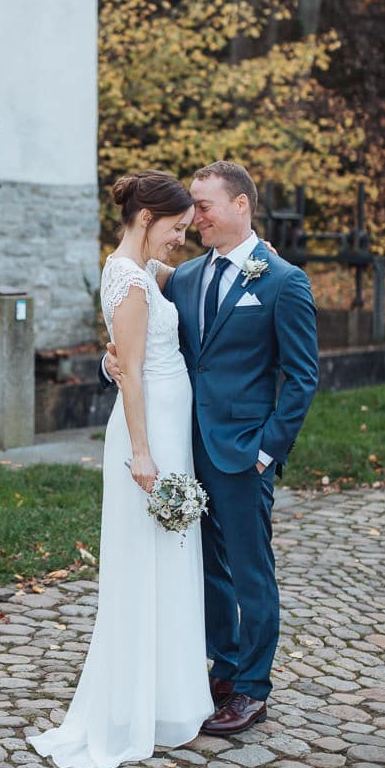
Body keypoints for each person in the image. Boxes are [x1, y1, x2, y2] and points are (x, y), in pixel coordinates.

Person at [102, 161, 319, 735]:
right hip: (186, 448)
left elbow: (301, 378)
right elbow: (140, 339)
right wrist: (110, 364)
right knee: (208, 570)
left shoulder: (282, 281)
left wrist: (268, 450)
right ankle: (222, 670)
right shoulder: (184, 275)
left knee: (251, 572)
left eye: (204, 205)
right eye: (191, 207)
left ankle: (252, 688)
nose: (195, 217)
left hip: (244, 453)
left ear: (240, 205)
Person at [27, 171, 214, 768]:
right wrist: (141, 451)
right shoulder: (129, 279)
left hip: (164, 425)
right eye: (176, 229)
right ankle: (133, 709)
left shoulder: (140, 273)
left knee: (169, 558)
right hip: (148, 434)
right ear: (145, 219)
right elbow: (130, 370)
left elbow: (149, 320)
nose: (180, 240)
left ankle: (165, 702)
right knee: (144, 561)